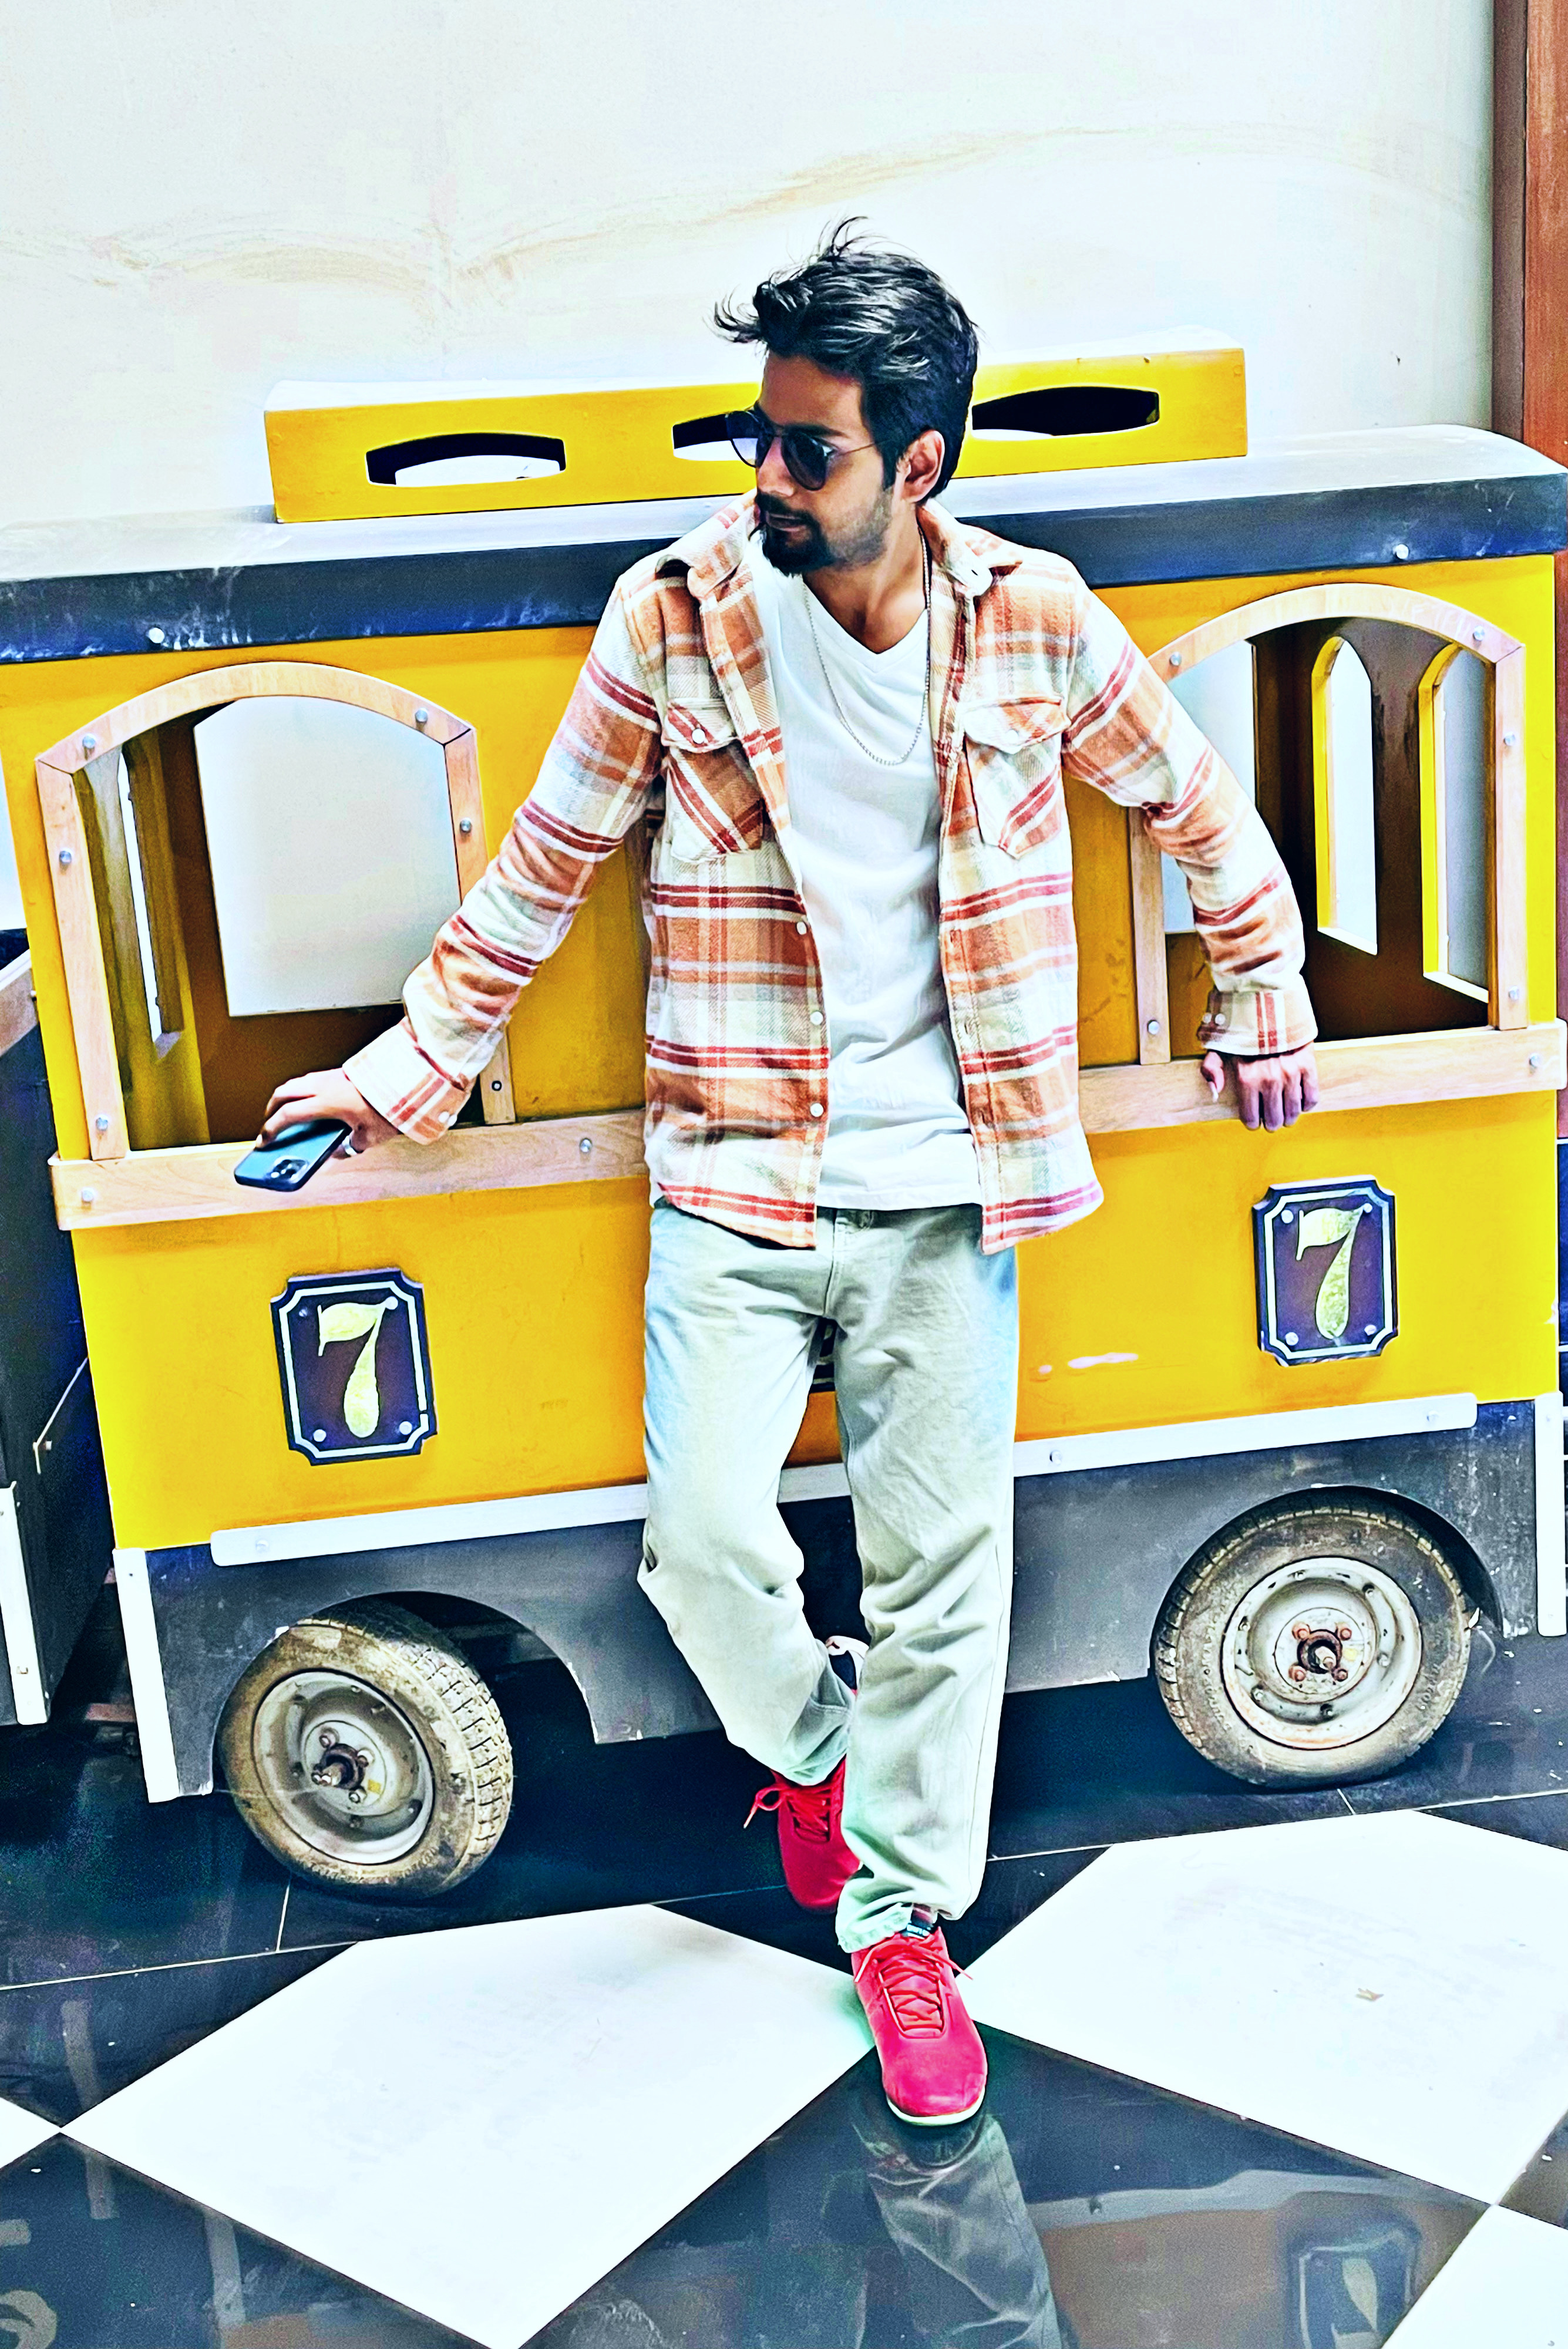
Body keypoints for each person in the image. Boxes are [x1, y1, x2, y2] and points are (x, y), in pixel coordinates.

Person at [261, 224, 1319, 2126]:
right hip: (736, 1173)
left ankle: (901, 1925)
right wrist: (397, 1072)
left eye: (809, 450)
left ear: (920, 462)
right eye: (759, 436)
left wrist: (1264, 990)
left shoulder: (1036, 621)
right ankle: (830, 1754)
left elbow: (1197, 804)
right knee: (703, 1545)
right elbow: (541, 869)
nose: (767, 476)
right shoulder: (676, 615)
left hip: (954, 1188)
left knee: (943, 1581)